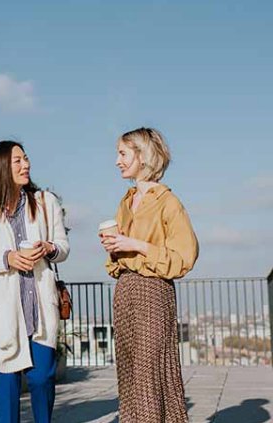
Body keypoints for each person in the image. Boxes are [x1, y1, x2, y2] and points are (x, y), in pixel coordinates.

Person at [0, 140, 69, 423]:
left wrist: (49, 248)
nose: (26, 165)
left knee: (42, 380)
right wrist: (7, 258)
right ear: (0, 168)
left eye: (26, 159)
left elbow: (63, 247)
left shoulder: (45, 203)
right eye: (18, 161)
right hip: (3, 318)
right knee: (7, 395)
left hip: (39, 313)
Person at [100, 127, 199, 423]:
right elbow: (120, 258)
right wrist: (115, 248)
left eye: (122, 153)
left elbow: (185, 257)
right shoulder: (126, 202)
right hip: (126, 289)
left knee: (150, 371)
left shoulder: (168, 202)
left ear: (142, 157)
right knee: (130, 373)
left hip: (154, 291)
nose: (117, 161)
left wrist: (137, 245)